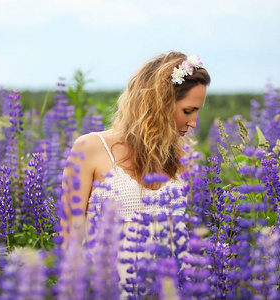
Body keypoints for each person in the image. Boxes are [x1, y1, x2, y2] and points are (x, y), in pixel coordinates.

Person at [60, 51, 211, 293]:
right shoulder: (91, 148)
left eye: (197, 111)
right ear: (159, 103)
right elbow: (68, 239)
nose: (194, 122)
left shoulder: (184, 159)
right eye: (188, 111)